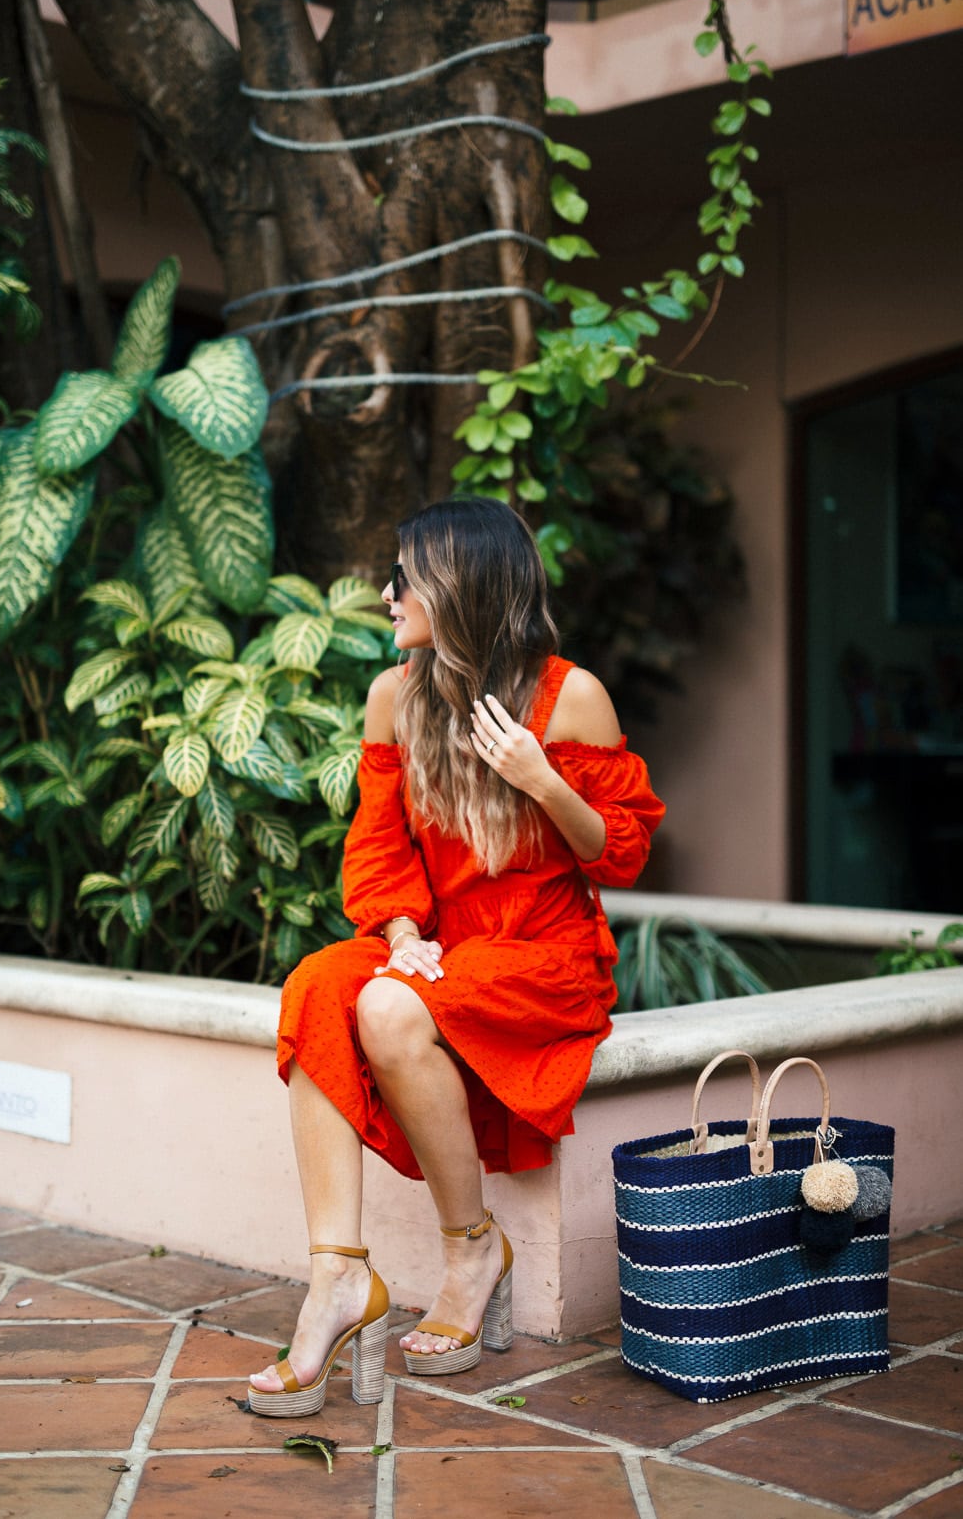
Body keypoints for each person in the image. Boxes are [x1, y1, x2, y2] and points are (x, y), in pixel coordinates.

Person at [247, 496, 665, 1416]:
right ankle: (337, 1279)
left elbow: (622, 853)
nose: (387, 592)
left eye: (405, 576)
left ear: (463, 584)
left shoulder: (570, 694)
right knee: (321, 984)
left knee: (390, 1008)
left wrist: (540, 779)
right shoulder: (395, 695)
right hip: (439, 947)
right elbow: (379, 850)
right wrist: (401, 934)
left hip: (545, 957)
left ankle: (472, 1247)